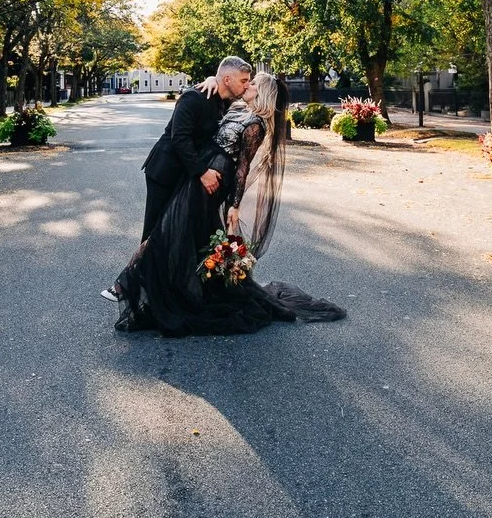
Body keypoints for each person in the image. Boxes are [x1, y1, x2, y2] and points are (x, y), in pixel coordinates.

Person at [111, 72, 347, 336]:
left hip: (215, 179)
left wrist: (234, 206)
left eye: (252, 84)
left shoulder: (256, 124)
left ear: (263, 93)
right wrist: (212, 77)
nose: (247, 85)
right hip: (200, 174)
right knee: (176, 230)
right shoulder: (236, 108)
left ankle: (129, 284)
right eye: (246, 81)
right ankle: (167, 290)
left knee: (171, 229)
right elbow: (220, 89)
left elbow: (242, 169)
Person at [101, 56, 253, 302]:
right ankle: (129, 288)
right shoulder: (194, 97)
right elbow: (178, 138)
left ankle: (166, 290)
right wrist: (202, 172)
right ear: (227, 78)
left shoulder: (221, 101)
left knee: (175, 232)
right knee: (155, 230)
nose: (246, 85)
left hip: (186, 178)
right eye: (243, 80)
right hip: (165, 172)